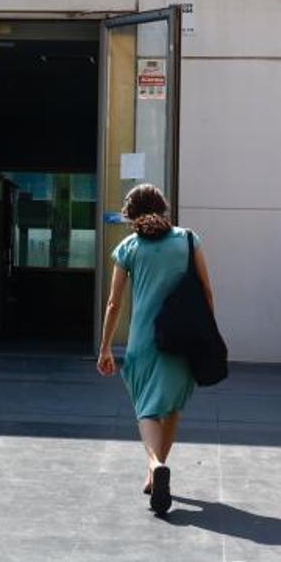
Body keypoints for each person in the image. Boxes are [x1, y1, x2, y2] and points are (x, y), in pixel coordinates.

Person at [96, 184, 215, 516]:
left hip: (144, 341)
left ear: (130, 214)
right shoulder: (188, 239)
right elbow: (207, 290)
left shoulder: (129, 247)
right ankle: (156, 470)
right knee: (172, 405)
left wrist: (105, 347)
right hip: (183, 337)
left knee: (146, 408)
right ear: (163, 207)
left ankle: (154, 464)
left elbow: (113, 304)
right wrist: (208, 334)